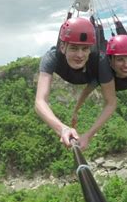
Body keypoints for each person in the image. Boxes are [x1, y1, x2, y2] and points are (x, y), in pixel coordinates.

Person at [35, 17, 117, 150]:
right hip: (73, 74)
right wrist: (62, 129)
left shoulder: (100, 61)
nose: (80, 55)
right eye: (74, 48)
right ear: (62, 47)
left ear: (90, 49)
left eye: (85, 49)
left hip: (90, 77)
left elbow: (111, 102)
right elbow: (40, 101)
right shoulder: (52, 57)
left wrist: (89, 135)